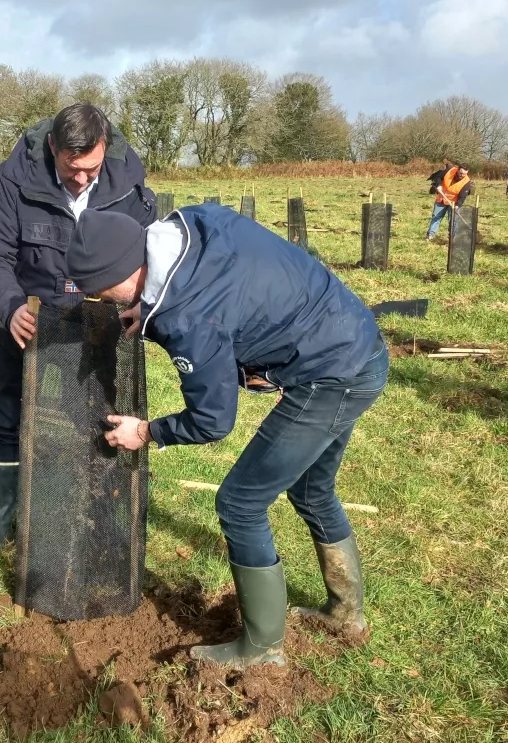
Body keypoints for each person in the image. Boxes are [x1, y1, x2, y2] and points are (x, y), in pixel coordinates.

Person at [66, 204, 389, 668]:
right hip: (356, 342)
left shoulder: (190, 317)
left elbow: (213, 420)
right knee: (313, 490)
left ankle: (262, 650)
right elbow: (211, 296)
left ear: (123, 272)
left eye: (103, 292)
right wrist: (150, 308)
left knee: (240, 503)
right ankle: (345, 613)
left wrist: (147, 431)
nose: (106, 301)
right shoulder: (189, 225)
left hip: (332, 374)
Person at [0, 104, 157, 557]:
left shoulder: (129, 182)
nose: (81, 180)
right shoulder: (15, 178)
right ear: (52, 147)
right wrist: (11, 307)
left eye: (90, 169)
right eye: (71, 170)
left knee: (99, 412)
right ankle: (2, 520)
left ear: (105, 149)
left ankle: (96, 513)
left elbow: (152, 257)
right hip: (27, 315)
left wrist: (143, 308)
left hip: (99, 317)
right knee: (8, 409)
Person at [425, 164, 473, 240]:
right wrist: (439, 185)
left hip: (453, 203)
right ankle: (430, 235)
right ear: (457, 170)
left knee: (453, 221)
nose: (462, 175)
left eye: (464, 174)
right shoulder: (449, 171)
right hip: (441, 199)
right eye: (460, 173)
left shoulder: (466, 182)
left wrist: (457, 205)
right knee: (436, 217)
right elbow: (438, 177)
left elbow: (462, 197)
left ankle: (452, 238)